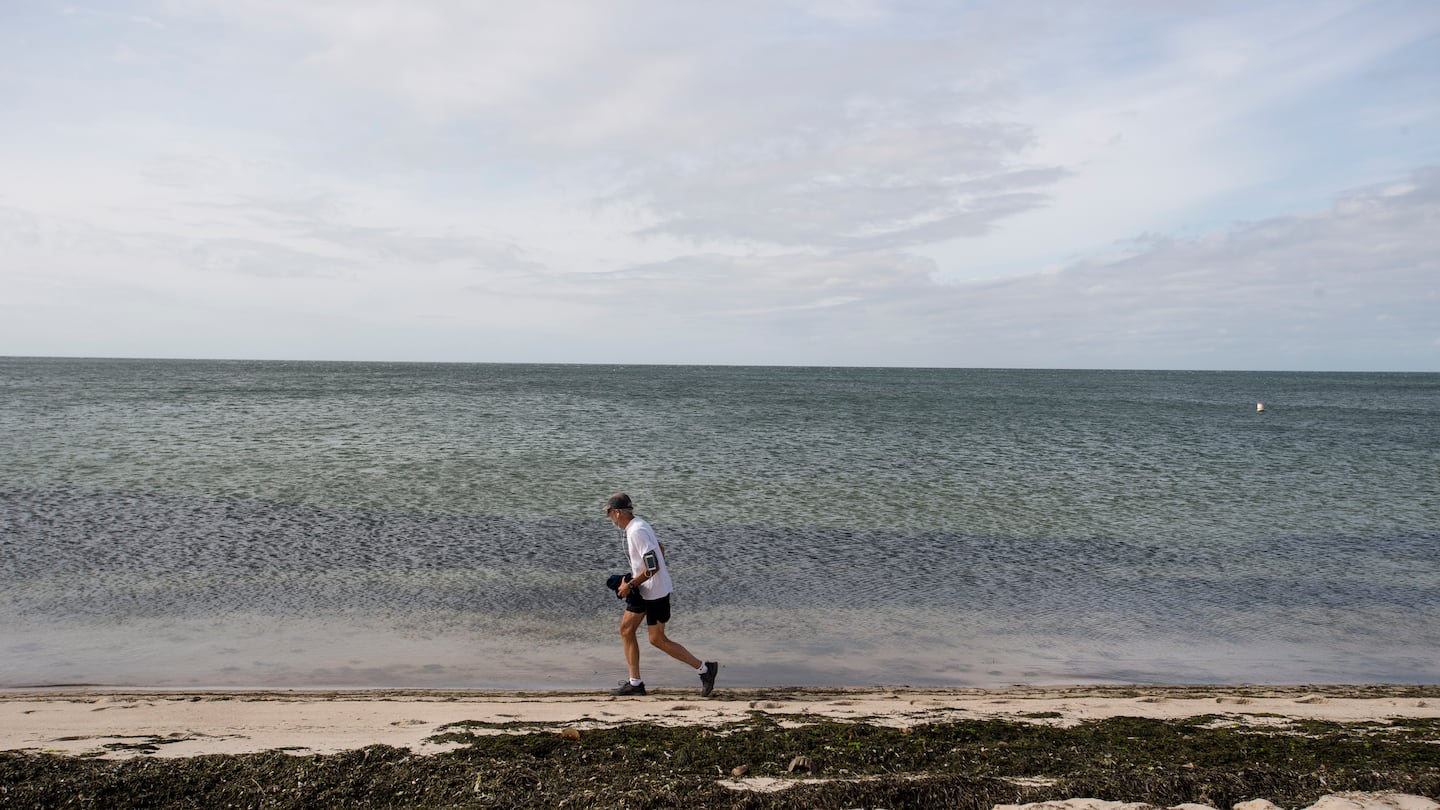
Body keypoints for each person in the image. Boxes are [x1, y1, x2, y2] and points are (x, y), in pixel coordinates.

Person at [604, 492, 718, 697]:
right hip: (644, 588)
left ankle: (705, 670)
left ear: (618, 513)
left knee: (657, 639)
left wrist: (629, 584)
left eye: (609, 513)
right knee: (626, 629)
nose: (609, 517)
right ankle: (635, 683)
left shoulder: (636, 531)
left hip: (655, 592)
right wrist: (635, 580)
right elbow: (661, 549)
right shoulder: (638, 526)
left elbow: (653, 565)